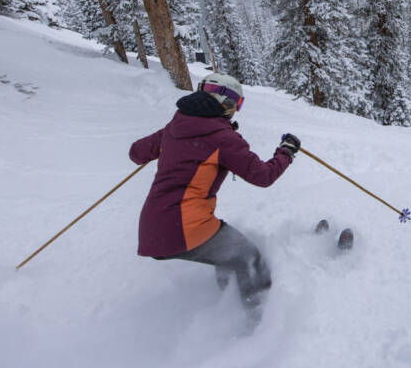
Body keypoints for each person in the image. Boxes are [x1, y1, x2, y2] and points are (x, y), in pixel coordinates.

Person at [128, 72, 300, 326]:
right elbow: (263, 176)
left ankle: (229, 303)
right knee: (248, 257)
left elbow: (136, 153)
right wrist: (286, 152)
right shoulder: (223, 138)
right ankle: (261, 320)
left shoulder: (176, 125)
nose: (236, 111)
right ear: (226, 102)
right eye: (237, 105)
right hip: (184, 227)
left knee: (229, 253)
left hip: (152, 228)